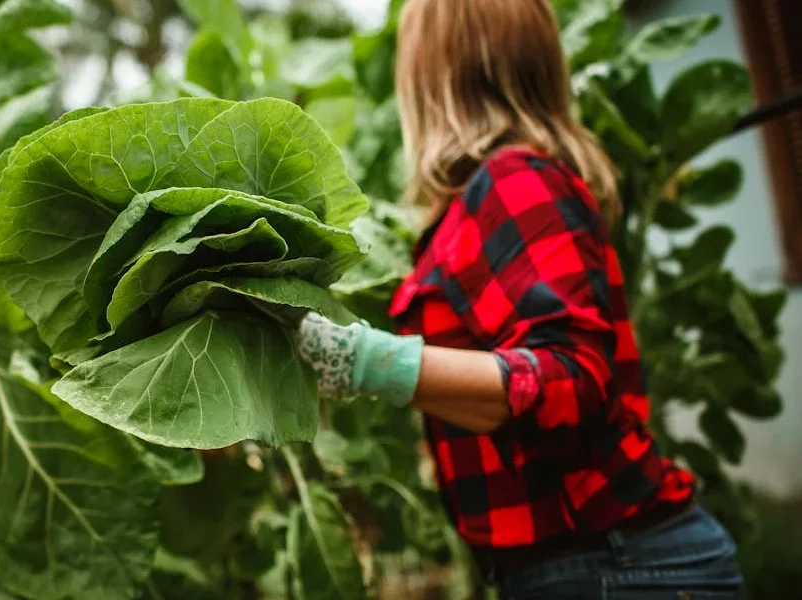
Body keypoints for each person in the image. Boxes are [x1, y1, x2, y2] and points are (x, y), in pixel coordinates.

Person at [291, 0, 745, 597]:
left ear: (434, 73)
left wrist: (363, 361)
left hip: (622, 567)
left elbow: (570, 382)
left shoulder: (515, 180)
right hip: (599, 564)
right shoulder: (488, 193)